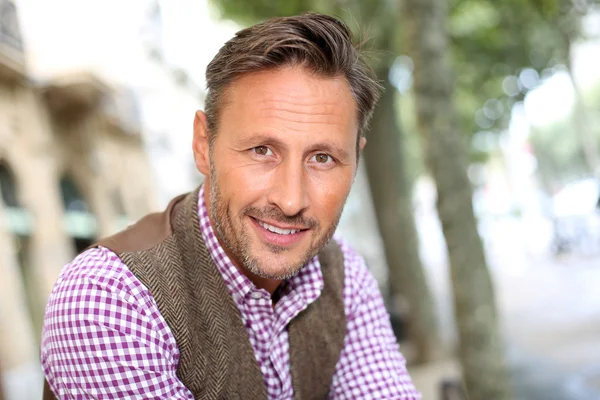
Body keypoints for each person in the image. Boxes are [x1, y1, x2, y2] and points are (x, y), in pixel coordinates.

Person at [41, 12, 421, 400]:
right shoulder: (108, 298)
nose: (291, 200)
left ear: (356, 161)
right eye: (262, 150)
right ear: (203, 146)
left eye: (322, 158)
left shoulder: (344, 275)